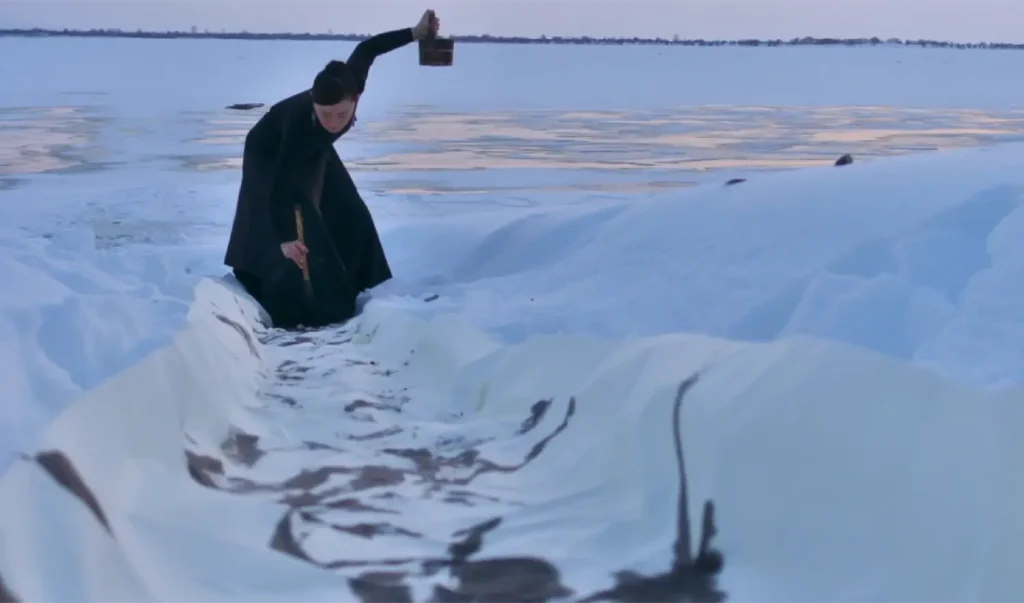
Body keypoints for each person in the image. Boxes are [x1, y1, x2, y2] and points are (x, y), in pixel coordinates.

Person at [224, 10, 442, 328]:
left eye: (342, 114)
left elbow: (369, 48)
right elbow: (280, 188)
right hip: (268, 152)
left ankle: (373, 288)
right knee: (303, 220)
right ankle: (308, 308)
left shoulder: (351, 81)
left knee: (351, 208)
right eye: (325, 114)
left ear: (354, 99)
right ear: (314, 104)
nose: (334, 122)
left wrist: (415, 32)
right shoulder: (300, 127)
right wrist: (285, 239)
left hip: (314, 148)